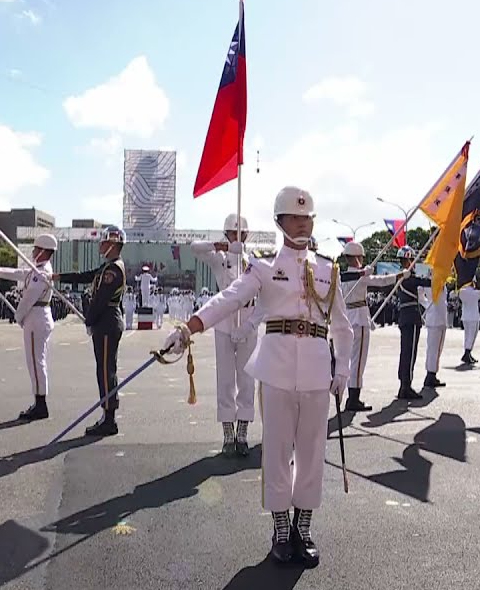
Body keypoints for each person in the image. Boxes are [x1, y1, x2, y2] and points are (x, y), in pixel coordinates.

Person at [166, 186, 353, 567]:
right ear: (280, 223)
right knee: (278, 450)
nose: (302, 223)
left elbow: (343, 327)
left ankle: (304, 526)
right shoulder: (265, 267)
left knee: (313, 451)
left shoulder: (327, 270)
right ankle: (281, 526)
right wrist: (191, 327)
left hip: (318, 370)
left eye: (307, 217)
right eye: (294, 218)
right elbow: (231, 298)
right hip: (278, 368)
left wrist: (343, 369)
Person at [192, 215, 259, 453]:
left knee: (247, 378)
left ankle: (243, 430)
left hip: (248, 317)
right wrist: (219, 247)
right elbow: (194, 248)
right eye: (232, 234)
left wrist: (250, 325)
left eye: (240, 234)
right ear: (225, 234)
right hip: (224, 320)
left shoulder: (253, 260)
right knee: (225, 379)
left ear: (247, 236)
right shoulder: (219, 259)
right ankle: (227, 432)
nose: (236, 238)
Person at [0, 233, 58, 421]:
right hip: (38, 316)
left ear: (44, 251)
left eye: (37, 249)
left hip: (36, 317)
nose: (33, 252)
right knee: (36, 361)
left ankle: (40, 404)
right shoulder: (36, 270)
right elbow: (15, 273)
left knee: (36, 362)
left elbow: (29, 299)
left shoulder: (41, 273)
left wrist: (19, 316)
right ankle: (39, 401)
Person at [57, 225, 127, 437]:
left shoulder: (114, 270)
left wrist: (89, 320)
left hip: (106, 321)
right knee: (104, 369)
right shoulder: (108, 267)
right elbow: (85, 276)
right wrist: (59, 277)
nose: (100, 245)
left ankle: (109, 419)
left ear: (113, 245)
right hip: (105, 321)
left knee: (106, 371)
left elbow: (101, 300)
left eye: (104, 242)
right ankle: (107, 415)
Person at [337, 241, 401, 411]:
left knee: (350, 359)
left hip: (347, 318)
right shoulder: (359, 276)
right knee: (358, 361)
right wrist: (398, 276)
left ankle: (351, 395)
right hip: (359, 318)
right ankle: (354, 398)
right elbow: (380, 281)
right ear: (358, 257)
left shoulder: (342, 275)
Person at [393, 246, 432, 399]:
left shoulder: (402, 276)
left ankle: (403, 383)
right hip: (411, 317)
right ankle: (406, 386)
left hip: (405, 317)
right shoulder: (407, 276)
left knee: (405, 352)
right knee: (410, 353)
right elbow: (426, 282)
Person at [453, 279, 480, 366]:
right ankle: (467, 353)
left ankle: (468, 353)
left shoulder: (461, 292)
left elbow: (453, 294)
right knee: (472, 336)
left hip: (465, 317)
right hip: (474, 317)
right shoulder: (476, 292)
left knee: (467, 336)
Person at [418, 282, 449, 387]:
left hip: (440, 317)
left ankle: (432, 374)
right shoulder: (430, 280)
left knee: (436, 349)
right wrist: (427, 304)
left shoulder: (442, 280)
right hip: (435, 318)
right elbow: (419, 292)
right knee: (434, 349)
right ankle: (430, 375)